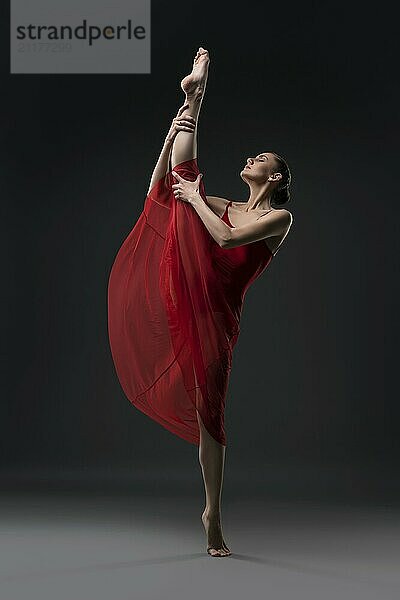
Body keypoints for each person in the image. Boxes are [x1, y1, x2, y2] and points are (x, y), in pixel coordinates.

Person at [107, 47, 293, 558]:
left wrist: (191, 198)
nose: (251, 160)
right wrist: (169, 142)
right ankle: (196, 95)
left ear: (274, 179)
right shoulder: (224, 203)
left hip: (218, 312)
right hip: (191, 283)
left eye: (261, 160)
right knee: (179, 185)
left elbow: (231, 243)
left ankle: (213, 508)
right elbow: (161, 190)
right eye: (252, 157)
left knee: (209, 410)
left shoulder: (277, 218)